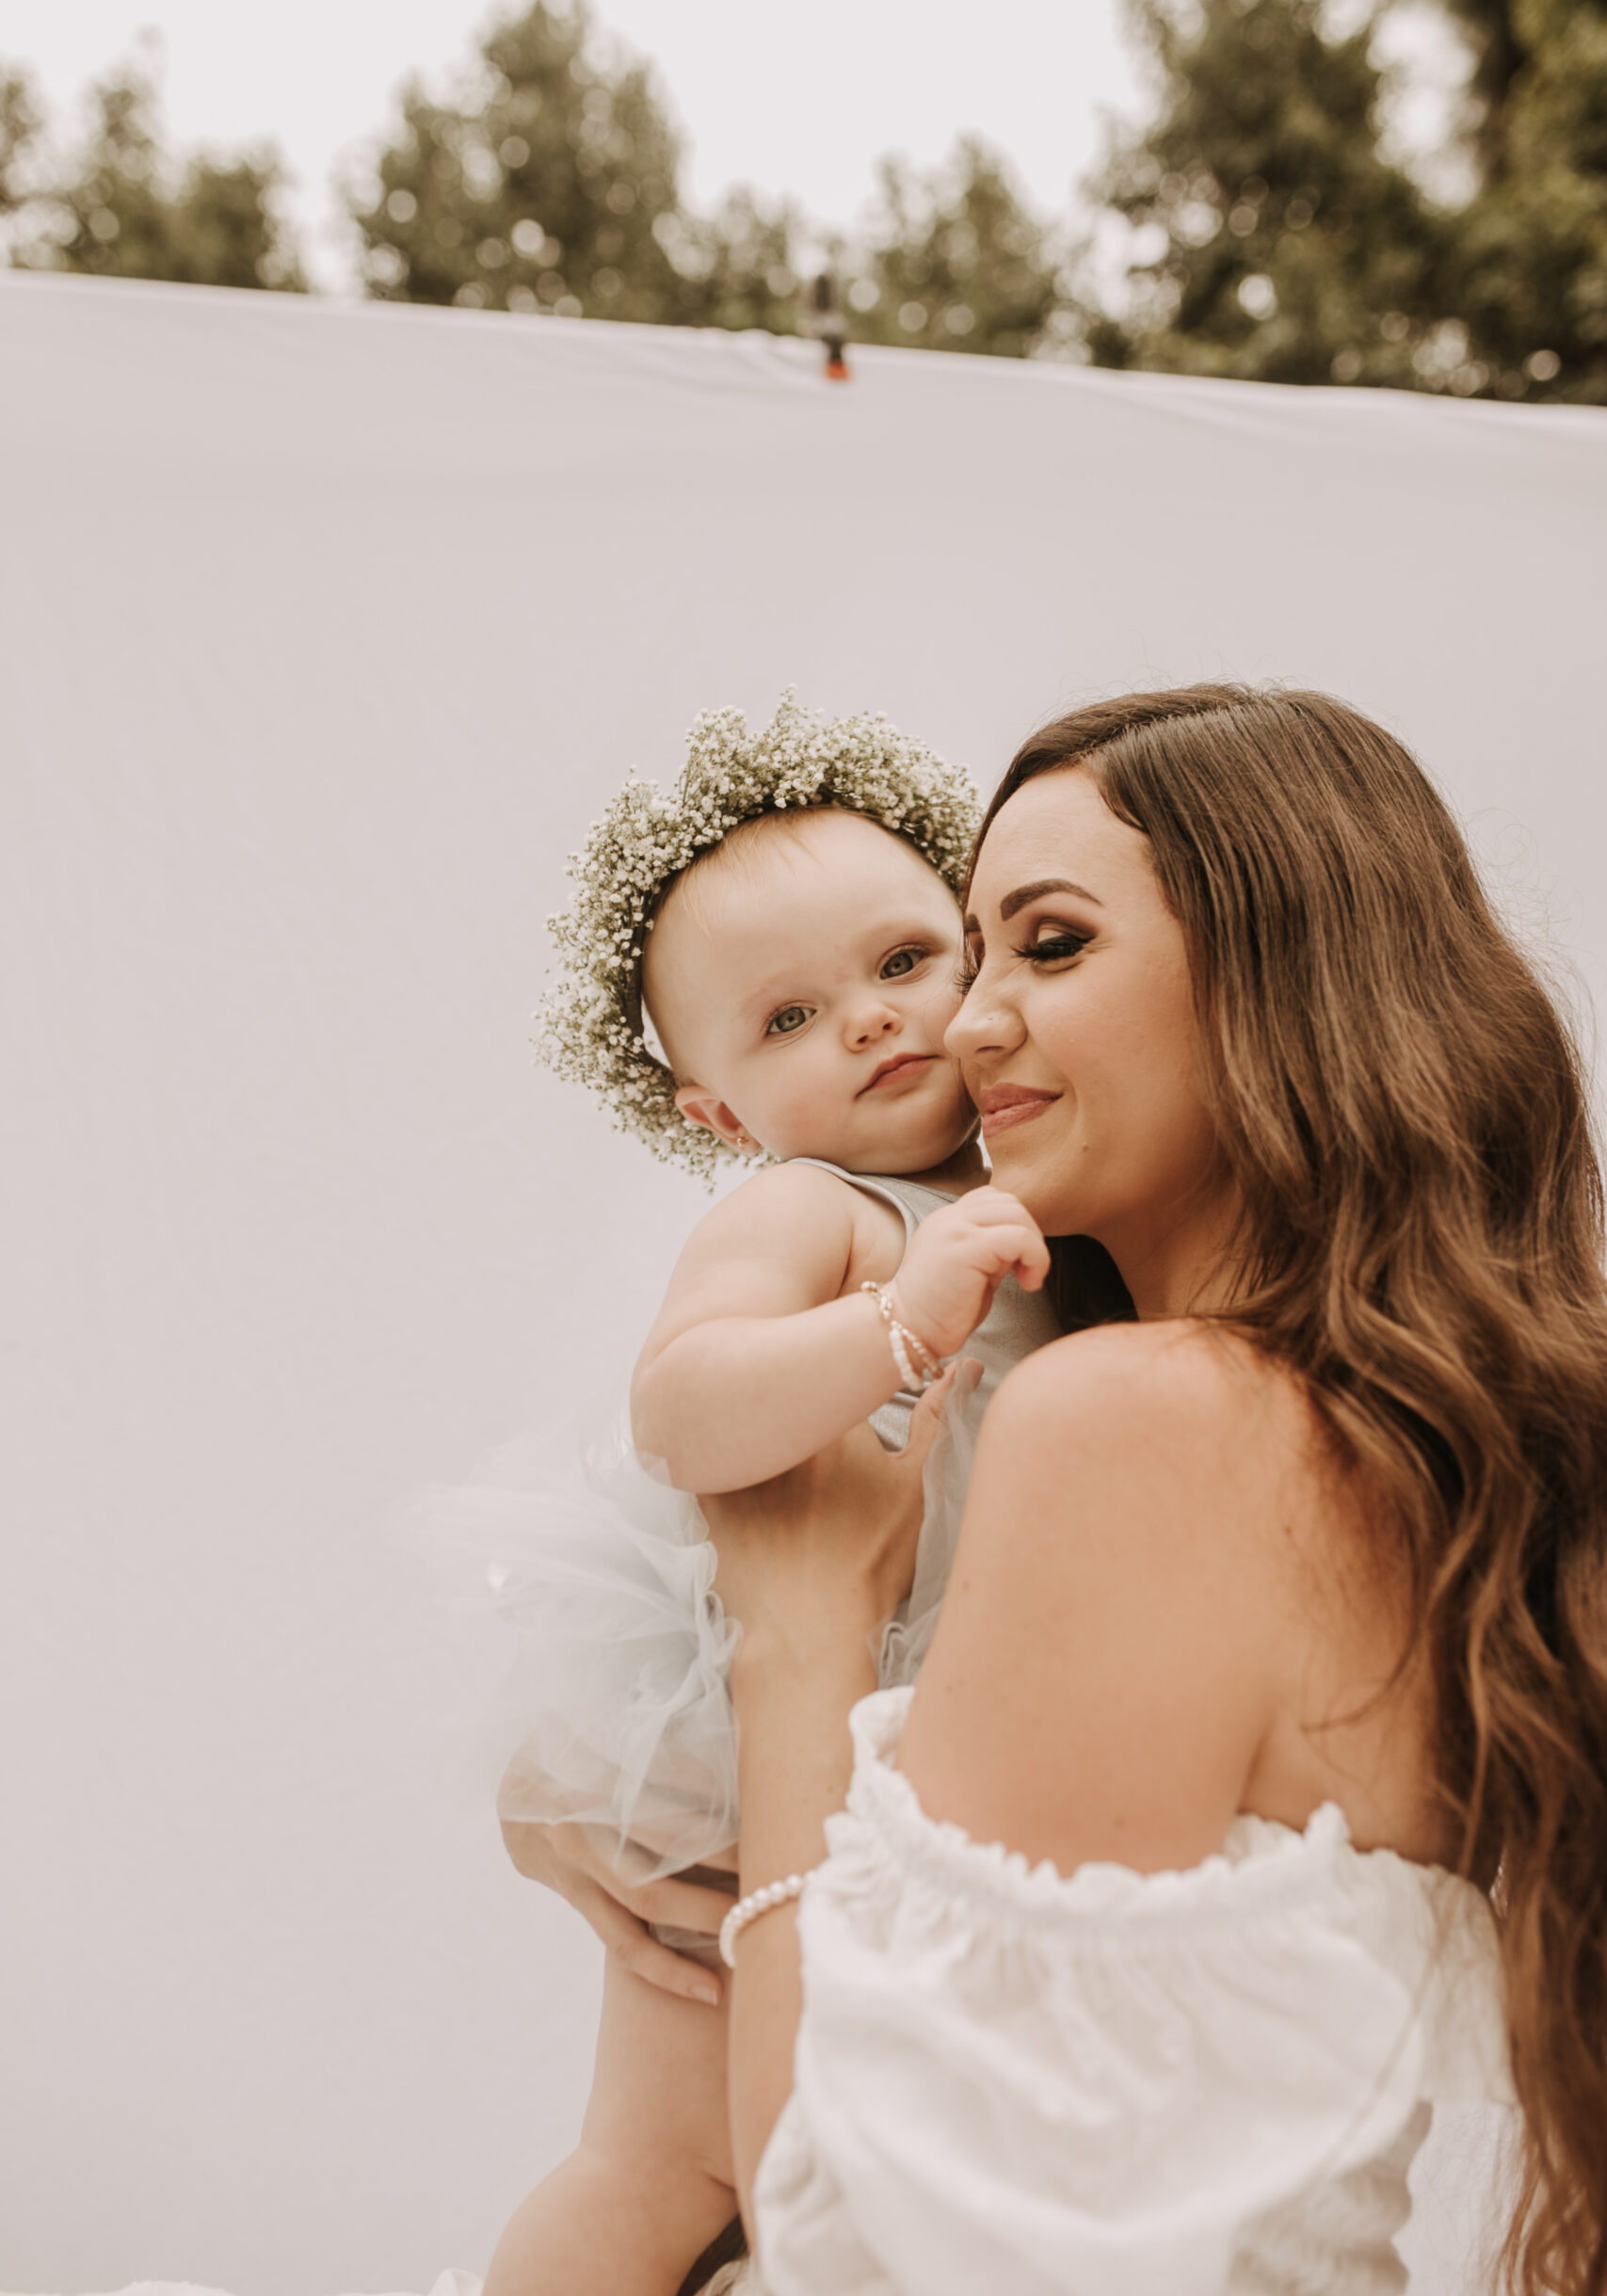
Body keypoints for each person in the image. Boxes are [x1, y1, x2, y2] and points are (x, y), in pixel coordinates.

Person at [523, 684, 1607, 2294]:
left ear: (1276, 976)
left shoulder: (1136, 1421)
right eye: (976, 947)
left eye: (1040, 946)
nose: (952, 1026)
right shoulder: (1424, 1447)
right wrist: (580, 1789)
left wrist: (797, 1634)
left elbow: (866, 2252)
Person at [419, 694, 1063, 2296]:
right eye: (785, 1021)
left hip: (948, 1760)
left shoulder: (1043, 1187)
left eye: (905, 963)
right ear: (720, 1119)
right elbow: (681, 1408)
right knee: (668, 2160)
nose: (865, 1021)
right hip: (740, 1761)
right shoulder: (816, 1206)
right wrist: (893, 1320)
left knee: (867, 2172)